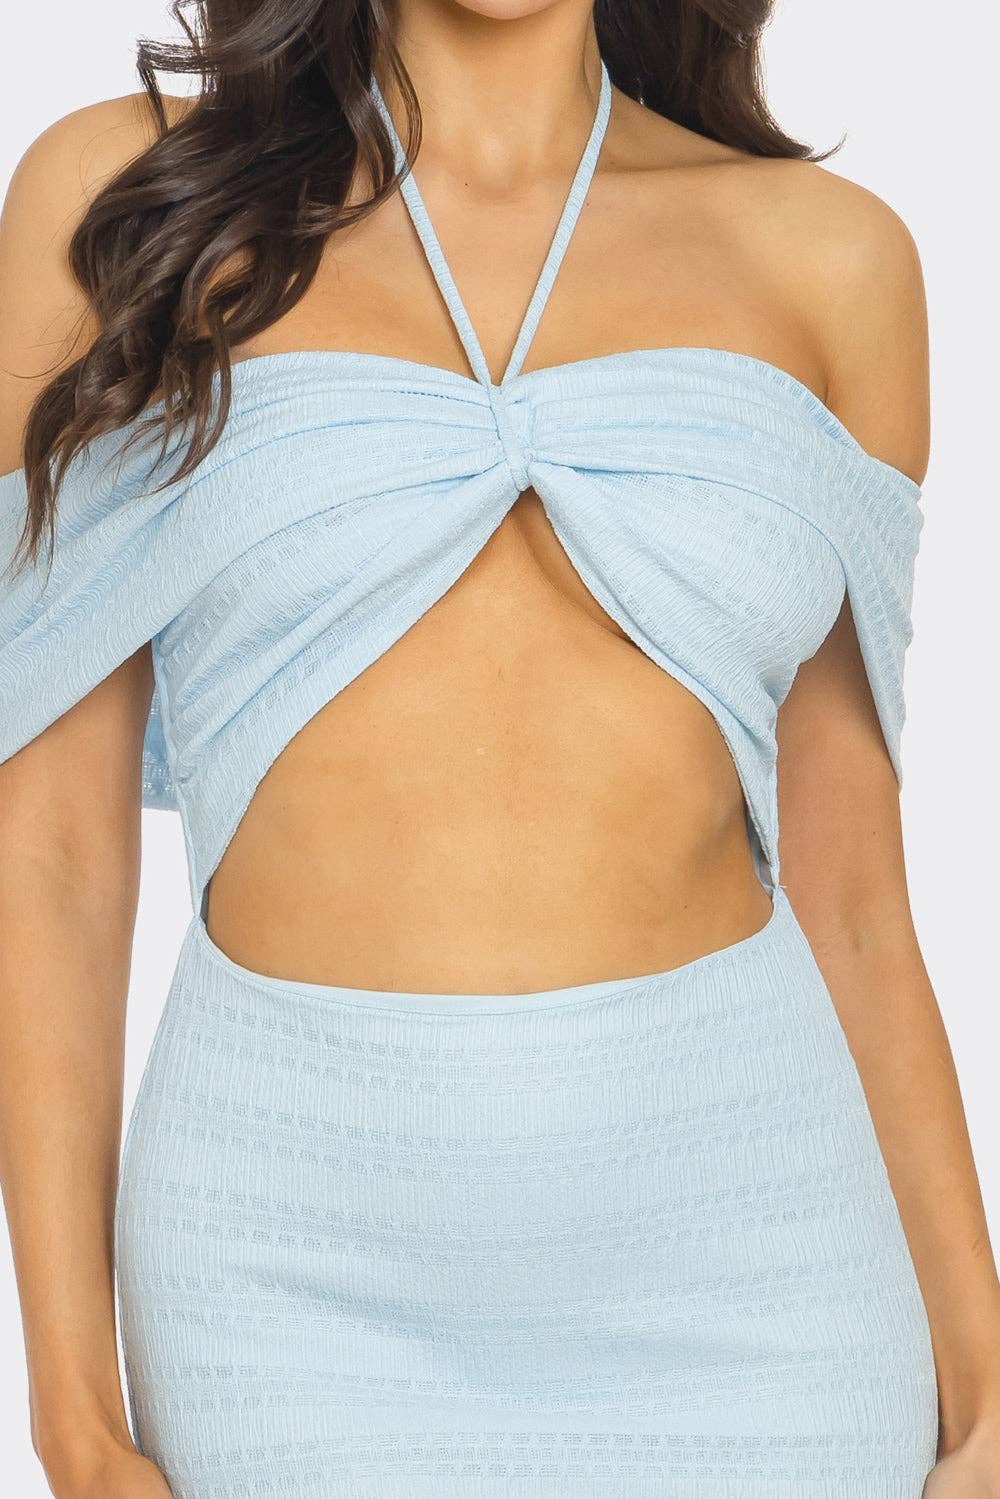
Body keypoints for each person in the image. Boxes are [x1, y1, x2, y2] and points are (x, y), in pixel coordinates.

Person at [1, 2, 997, 1495]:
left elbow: (855, 896)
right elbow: (54, 856)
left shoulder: (832, 260)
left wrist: (986, 1391)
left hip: (759, 1265)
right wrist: (73, 1419)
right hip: (286, 1280)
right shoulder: (133, 204)